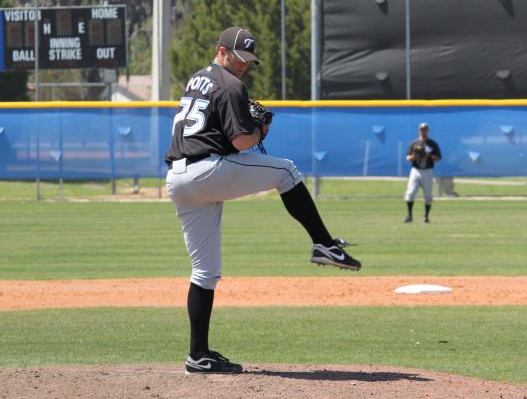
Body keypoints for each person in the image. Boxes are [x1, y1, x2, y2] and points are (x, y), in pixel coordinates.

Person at [165, 26, 361, 375]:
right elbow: (242, 142)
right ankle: (324, 244)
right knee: (286, 171)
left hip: (178, 179)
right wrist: (259, 130)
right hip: (206, 171)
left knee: (205, 272)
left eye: (248, 60)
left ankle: (198, 355)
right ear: (221, 51)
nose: (243, 65)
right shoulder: (231, 85)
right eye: (238, 57)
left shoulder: (197, 79)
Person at [403, 122, 441, 223]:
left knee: (428, 195)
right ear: (418, 130)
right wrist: (413, 156)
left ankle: (426, 216)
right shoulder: (414, 143)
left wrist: (429, 156)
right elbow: (408, 157)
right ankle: (409, 215)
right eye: (421, 129)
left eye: (424, 129)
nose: (423, 131)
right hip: (416, 170)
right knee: (410, 193)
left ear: (427, 130)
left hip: (428, 170)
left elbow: (438, 158)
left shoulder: (432, 144)